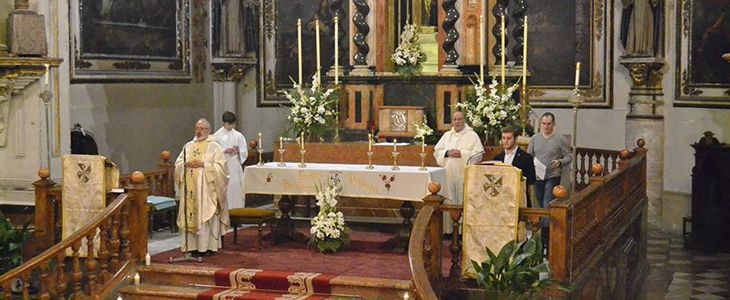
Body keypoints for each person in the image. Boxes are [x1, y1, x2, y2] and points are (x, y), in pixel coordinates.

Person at [175, 118, 229, 257]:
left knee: (205, 215)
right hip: (190, 189)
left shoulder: (214, 147)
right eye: (197, 129)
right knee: (191, 215)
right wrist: (185, 164)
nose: (199, 132)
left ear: (208, 130)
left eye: (202, 129)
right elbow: (179, 163)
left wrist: (204, 165)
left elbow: (221, 169)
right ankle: (192, 247)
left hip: (206, 190)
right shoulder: (188, 146)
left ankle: (208, 247)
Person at [434, 111, 485, 208]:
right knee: (448, 200)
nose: (457, 122)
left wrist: (461, 154)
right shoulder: (447, 135)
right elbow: (437, 152)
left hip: (464, 176)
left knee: (463, 201)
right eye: (455, 119)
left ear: (464, 120)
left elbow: (478, 155)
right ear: (452, 121)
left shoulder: (472, 135)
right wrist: (447, 153)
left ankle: (463, 223)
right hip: (448, 175)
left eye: (460, 119)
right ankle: (448, 224)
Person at [527, 113, 571, 211]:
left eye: (549, 124)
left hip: (553, 174)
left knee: (547, 201)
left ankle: (545, 226)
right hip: (538, 175)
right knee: (540, 200)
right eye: (544, 124)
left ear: (554, 124)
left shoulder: (560, 139)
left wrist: (560, 162)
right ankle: (547, 223)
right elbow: (529, 155)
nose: (546, 127)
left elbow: (569, 156)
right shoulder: (535, 138)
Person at [493, 126, 536, 207]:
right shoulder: (498, 158)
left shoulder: (525, 157)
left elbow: (531, 179)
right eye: (503, 138)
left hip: (519, 199)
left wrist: (515, 174)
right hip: (501, 201)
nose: (505, 141)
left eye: (509, 138)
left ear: (516, 139)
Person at [214, 111, 248, 209]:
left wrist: (237, 151)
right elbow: (213, 152)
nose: (231, 126)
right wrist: (224, 151)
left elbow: (244, 151)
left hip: (234, 166)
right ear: (224, 123)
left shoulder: (238, 135)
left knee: (236, 189)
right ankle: (225, 213)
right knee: (226, 190)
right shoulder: (217, 136)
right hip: (223, 167)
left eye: (233, 124)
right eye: (229, 124)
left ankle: (238, 211)